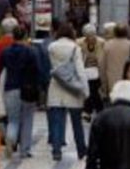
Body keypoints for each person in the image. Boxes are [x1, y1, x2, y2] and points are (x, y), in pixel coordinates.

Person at [47, 23, 89, 161]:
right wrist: (85, 89)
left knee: (57, 121)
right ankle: (81, 149)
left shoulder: (51, 47)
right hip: (72, 87)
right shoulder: (75, 48)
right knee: (77, 122)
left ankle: (57, 150)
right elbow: (80, 69)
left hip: (56, 86)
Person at [0, 26, 39, 159]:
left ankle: (10, 139)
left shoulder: (5, 52)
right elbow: (36, 70)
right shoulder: (31, 52)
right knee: (27, 119)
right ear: (25, 36)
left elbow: (1, 69)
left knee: (13, 119)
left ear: (13, 37)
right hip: (27, 89)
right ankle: (25, 150)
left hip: (10, 88)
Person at [78, 24, 106, 121]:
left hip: (98, 71)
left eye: (92, 35)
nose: (91, 38)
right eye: (88, 36)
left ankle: (88, 111)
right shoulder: (80, 43)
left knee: (93, 89)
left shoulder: (102, 42)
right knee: (91, 89)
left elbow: (103, 58)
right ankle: (98, 110)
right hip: (85, 71)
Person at [100, 24, 130, 100]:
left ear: (115, 32)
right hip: (128, 80)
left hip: (112, 81)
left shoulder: (107, 45)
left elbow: (102, 66)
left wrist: (104, 85)